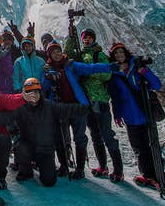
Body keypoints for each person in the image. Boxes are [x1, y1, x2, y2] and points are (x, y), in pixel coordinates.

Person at [0, 78, 89, 187]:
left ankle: (42, 167)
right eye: (29, 92)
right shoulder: (20, 107)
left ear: (40, 92)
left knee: (49, 181)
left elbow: (67, 109)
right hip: (28, 147)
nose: (33, 95)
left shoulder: (50, 106)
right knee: (20, 147)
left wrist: (84, 108)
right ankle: (26, 172)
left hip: (45, 151)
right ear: (25, 94)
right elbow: (7, 116)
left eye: (36, 92)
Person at [41, 41, 114, 179]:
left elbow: (90, 68)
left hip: (77, 106)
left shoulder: (71, 65)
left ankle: (79, 169)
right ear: (49, 54)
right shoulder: (47, 69)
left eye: (58, 51)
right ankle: (64, 165)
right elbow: (43, 87)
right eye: (53, 52)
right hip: (59, 108)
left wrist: (109, 67)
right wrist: (47, 77)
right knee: (61, 138)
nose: (56, 54)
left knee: (79, 137)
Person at [65, 28, 123, 181]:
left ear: (94, 39)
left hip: (100, 99)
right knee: (95, 135)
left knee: (107, 135)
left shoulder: (100, 54)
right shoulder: (80, 55)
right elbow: (68, 54)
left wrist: (89, 72)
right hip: (87, 101)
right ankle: (103, 166)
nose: (87, 40)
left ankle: (118, 170)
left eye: (90, 37)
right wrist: (71, 37)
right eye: (85, 38)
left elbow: (107, 74)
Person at [107, 42, 164, 188]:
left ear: (126, 53)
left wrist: (144, 72)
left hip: (145, 114)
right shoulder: (114, 74)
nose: (119, 55)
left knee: (151, 145)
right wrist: (117, 114)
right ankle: (147, 175)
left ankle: (159, 175)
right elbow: (115, 97)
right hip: (130, 116)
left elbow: (157, 85)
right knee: (138, 147)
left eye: (121, 52)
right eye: (116, 53)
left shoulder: (137, 67)